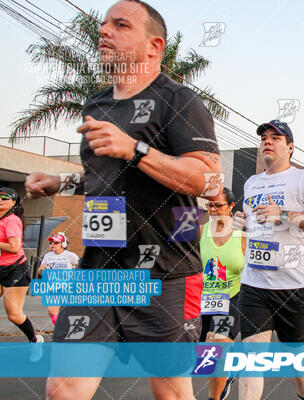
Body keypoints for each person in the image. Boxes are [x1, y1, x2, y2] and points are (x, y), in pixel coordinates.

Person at [25, 1, 222, 398]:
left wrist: (135, 148)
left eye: (120, 25)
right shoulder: (98, 104)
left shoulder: (179, 101)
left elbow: (210, 180)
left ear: (154, 46)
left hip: (164, 273)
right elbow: (104, 179)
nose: (104, 31)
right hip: (99, 270)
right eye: (102, 26)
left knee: (170, 391)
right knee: (62, 388)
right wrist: (58, 182)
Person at [231, 119, 304, 400]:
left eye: (275, 137)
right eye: (264, 137)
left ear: (290, 147)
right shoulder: (251, 183)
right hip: (255, 284)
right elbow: (258, 226)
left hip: (293, 285)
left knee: (295, 356)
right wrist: (243, 222)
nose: (267, 140)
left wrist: (286, 215)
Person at [199, 188, 245, 400]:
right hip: (206, 299)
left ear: (231, 207)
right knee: (204, 358)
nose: (213, 210)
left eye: (218, 205)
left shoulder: (243, 235)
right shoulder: (201, 231)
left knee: (214, 345)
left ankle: (214, 397)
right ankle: (229, 371)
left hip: (233, 297)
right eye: (210, 205)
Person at [0, 188, 44, 354]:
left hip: (15, 270)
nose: (0, 200)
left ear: (13, 203)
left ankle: (34, 340)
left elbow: (14, 247)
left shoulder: (12, 221)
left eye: (4, 198)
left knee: (14, 315)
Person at [39, 233, 79, 325]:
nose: (52, 244)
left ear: (63, 244)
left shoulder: (70, 255)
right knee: (55, 312)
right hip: (52, 287)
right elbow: (40, 272)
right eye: (51, 243)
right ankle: (64, 332)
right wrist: (42, 269)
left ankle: (61, 333)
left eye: (56, 243)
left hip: (65, 287)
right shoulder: (48, 256)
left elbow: (81, 268)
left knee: (53, 311)